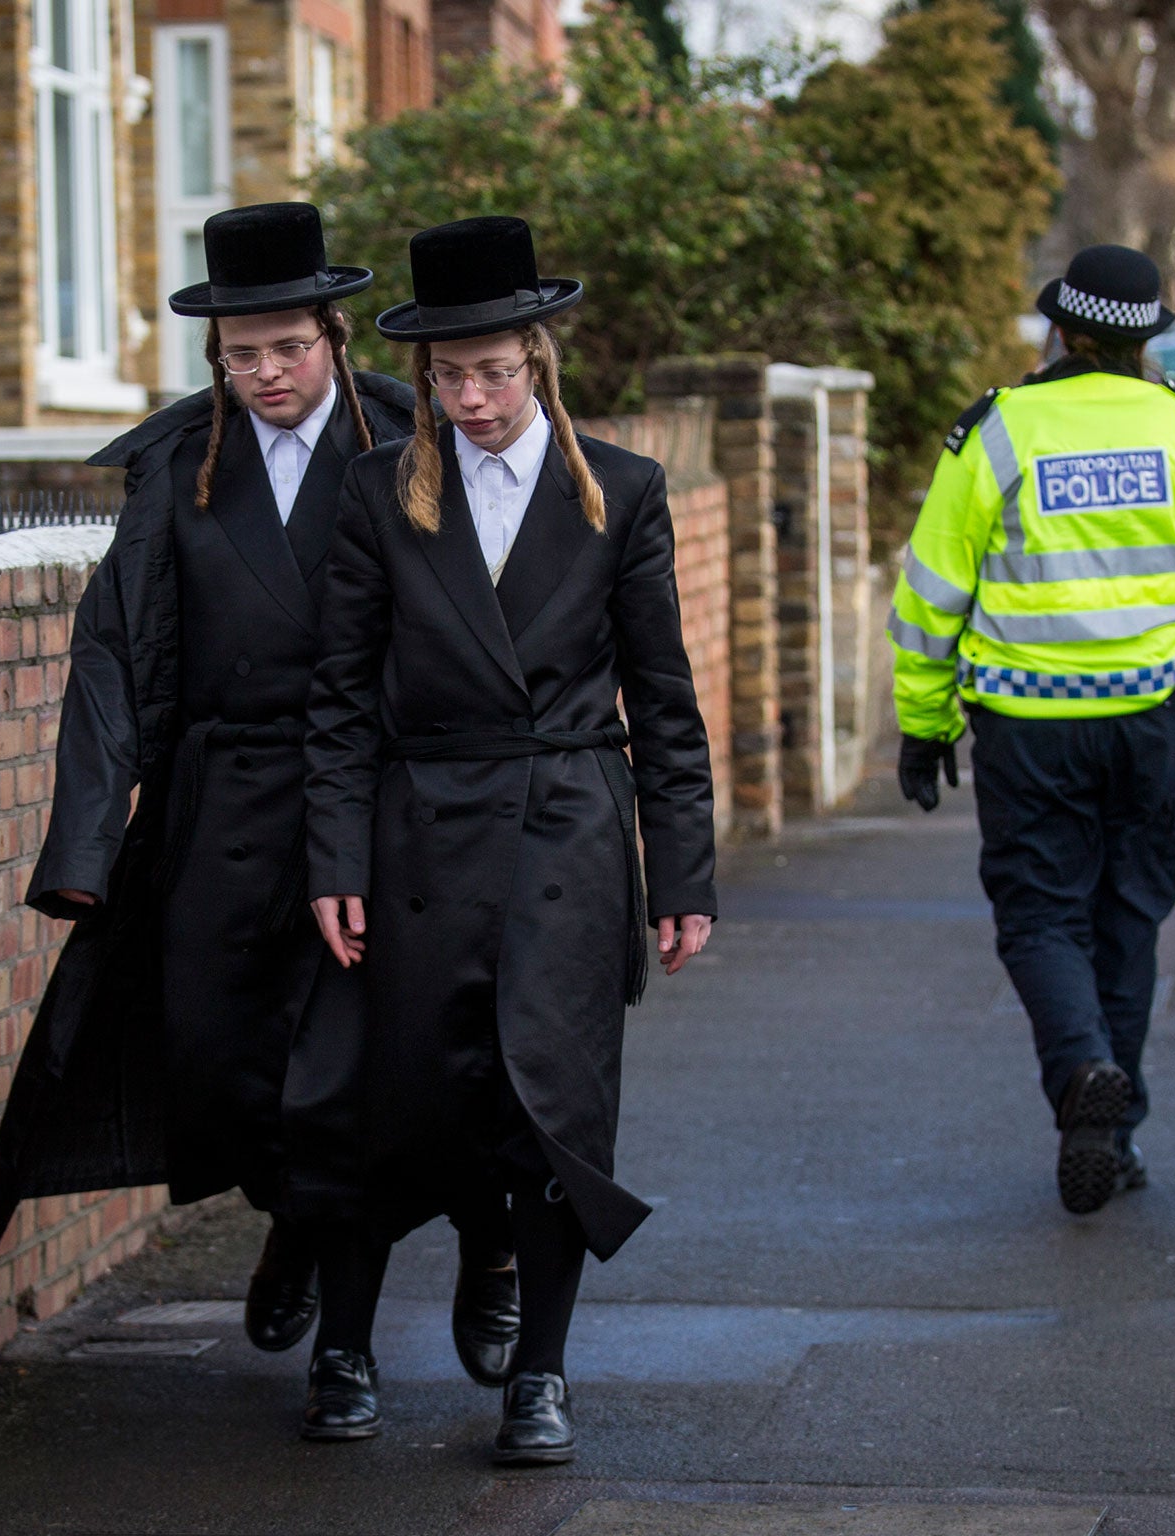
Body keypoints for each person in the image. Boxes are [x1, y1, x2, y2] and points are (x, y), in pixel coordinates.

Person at [0, 202, 518, 1441]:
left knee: (364, 1071)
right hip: (219, 808)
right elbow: (112, 648)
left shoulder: (408, 438)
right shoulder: (178, 465)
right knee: (221, 1063)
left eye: (287, 347)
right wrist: (81, 848)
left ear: (332, 333)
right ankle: (286, 1219)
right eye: (241, 354)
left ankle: (375, 1314)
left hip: (370, 804)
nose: (267, 374)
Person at [306, 216, 717, 1464]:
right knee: (382, 1102)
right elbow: (335, 698)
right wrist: (332, 861)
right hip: (414, 839)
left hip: (567, 838)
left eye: (493, 371)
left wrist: (683, 871)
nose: (471, 398)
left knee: (556, 1111)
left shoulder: (624, 490)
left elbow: (665, 694)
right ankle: (344, 1346)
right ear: (424, 376)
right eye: (448, 376)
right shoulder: (378, 495)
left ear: (536, 360)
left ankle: (538, 1375)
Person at [887, 243, 1175, 1216]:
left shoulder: (998, 433)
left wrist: (922, 726)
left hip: (1028, 723)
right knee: (1126, 918)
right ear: (1145, 338)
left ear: (1061, 327)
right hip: (1156, 719)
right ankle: (1116, 1126)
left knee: (1040, 914)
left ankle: (1080, 1072)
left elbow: (932, 593)